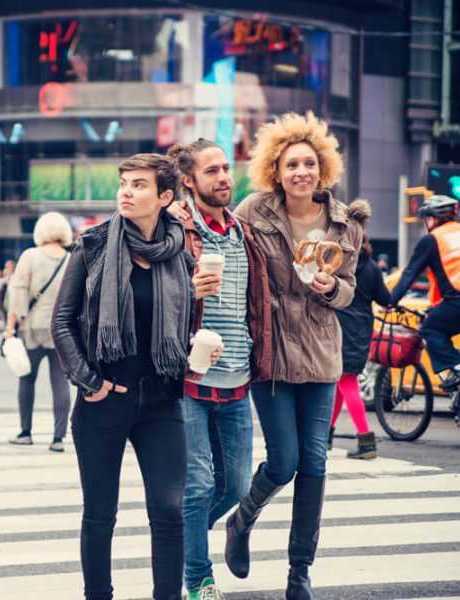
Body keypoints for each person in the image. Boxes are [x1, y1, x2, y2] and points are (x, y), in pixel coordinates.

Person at [224, 111, 361, 599]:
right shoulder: (252, 213)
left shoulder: (345, 223)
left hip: (322, 353)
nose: (300, 172)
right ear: (275, 172)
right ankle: (241, 521)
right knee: (283, 461)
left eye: (308, 163)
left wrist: (331, 289)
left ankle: (299, 571)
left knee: (316, 463)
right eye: (290, 166)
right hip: (272, 353)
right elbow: (226, 254)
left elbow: (349, 288)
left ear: (321, 168)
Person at [52, 153, 194, 600]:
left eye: (138, 185)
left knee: (169, 512)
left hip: (162, 401)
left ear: (164, 197)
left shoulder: (179, 254)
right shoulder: (93, 245)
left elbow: (181, 326)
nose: (126, 192)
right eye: (124, 184)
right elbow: (62, 322)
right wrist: (89, 382)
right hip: (104, 402)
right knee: (100, 514)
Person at [166, 139, 272, 600]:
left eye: (227, 168)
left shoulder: (242, 232)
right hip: (190, 379)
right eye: (211, 171)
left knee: (235, 487)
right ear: (189, 180)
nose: (224, 177)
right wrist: (190, 289)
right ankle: (197, 579)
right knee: (198, 485)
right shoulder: (178, 230)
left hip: (237, 376)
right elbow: (157, 294)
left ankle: (178, 540)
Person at [4, 211, 73, 452]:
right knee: (61, 383)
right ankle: (58, 438)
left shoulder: (30, 256)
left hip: (31, 327)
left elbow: (18, 292)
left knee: (26, 377)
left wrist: (10, 327)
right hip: (60, 329)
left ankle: (25, 432)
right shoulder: (70, 258)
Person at [388, 196, 460, 390]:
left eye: (426, 219)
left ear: (433, 219)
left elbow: (409, 275)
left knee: (431, 328)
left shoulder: (432, 240)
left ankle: (459, 367)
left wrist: (390, 300)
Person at [329, 201, 390, 460]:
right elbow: (386, 298)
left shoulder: (339, 261)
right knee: (341, 383)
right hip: (363, 327)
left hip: (341, 325)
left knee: (346, 381)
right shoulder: (373, 268)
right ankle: (326, 437)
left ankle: (367, 442)